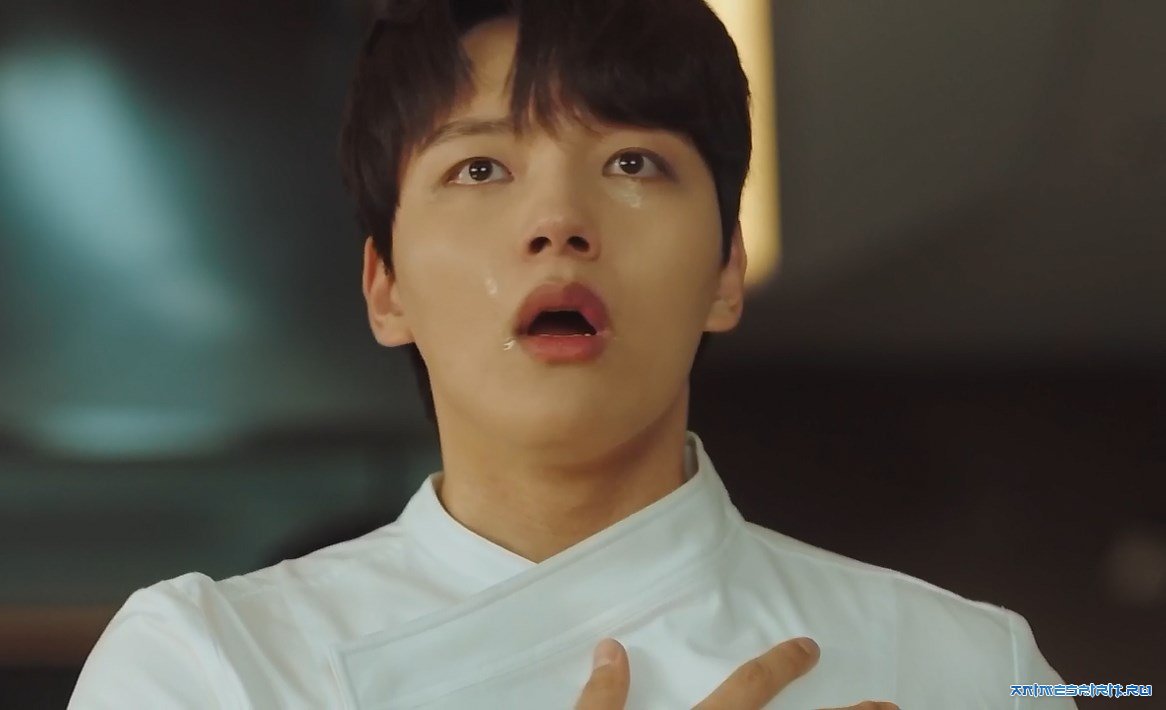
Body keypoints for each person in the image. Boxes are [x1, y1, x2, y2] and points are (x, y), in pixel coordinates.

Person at [69, 1, 1075, 707]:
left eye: (632, 161)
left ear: (725, 270)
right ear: (386, 287)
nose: (558, 220)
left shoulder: (969, 670)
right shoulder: (209, 666)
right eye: (480, 167)